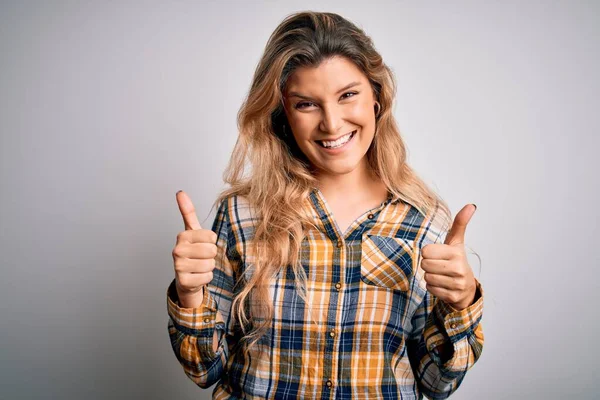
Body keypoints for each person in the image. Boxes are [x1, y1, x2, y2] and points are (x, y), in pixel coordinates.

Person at [167, 11, 484, 400]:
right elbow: (204, 370)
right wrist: (189, 295)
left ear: (377, 97)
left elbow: (438, 382)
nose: (332, 124)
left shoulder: (423, 221)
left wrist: (461, 303)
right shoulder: (240, 216)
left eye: (348, 95)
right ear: (283, 114)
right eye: (306, 104)